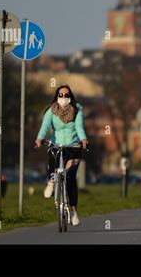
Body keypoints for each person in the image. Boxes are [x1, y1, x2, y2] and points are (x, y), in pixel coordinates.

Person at [35, 85, 88, 226]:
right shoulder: (51, 110)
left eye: (66, 95)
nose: (63, 98)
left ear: (70, 96)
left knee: (70, 178)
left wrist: (83, 140)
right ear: (57, 96)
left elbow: (79, 127)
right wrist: (40, 138)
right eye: (60, 95)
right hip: (57, 145)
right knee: (52, 158)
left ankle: (73, 211)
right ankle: (51, 182)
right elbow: (45, 126)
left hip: (73, 146)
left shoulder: (77, 110)